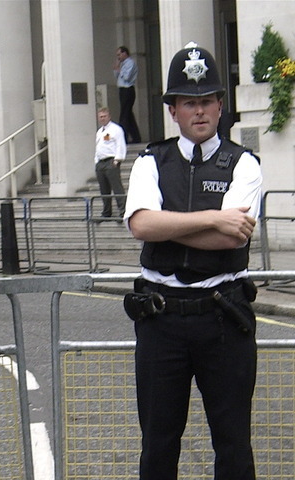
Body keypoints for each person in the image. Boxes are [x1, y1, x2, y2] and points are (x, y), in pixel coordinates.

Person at [123, 42, 262, 480]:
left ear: (220, 105)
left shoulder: (245, 163)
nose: (198, 111)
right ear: (173, 110)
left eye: (206, 101)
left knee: (234, 443)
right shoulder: (150, 160)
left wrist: (175, 224)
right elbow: (142, 225)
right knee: (159, 445)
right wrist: (214, 218)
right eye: (188, 102)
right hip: (160, 319)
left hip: (222, 316)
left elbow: (231, 238)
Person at [94, 107, 127, 219]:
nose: (102, 119)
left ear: (109, 116)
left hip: (111, 161)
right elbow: (98, 147)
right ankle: (106, 212)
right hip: (101, 162)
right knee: (104, 189)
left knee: (117, 187)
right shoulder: (99, 132)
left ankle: (122, 211)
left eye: (104, 116)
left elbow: (120, 145)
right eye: (100, 117)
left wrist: (118, 159)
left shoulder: (116, 129)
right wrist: (96, 161)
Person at [114, 45, 141, 143]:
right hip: (122, 89)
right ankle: (136, 137)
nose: (118, 57)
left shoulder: (130, 63)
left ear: (124, 53)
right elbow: (117, 77)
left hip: (128, 89)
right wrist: (117, 68)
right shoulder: (122, 64)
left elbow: (127, 77)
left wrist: (119, 70)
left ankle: (123, 137)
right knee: (128, 114)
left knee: (124, 115)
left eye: (119, 54)